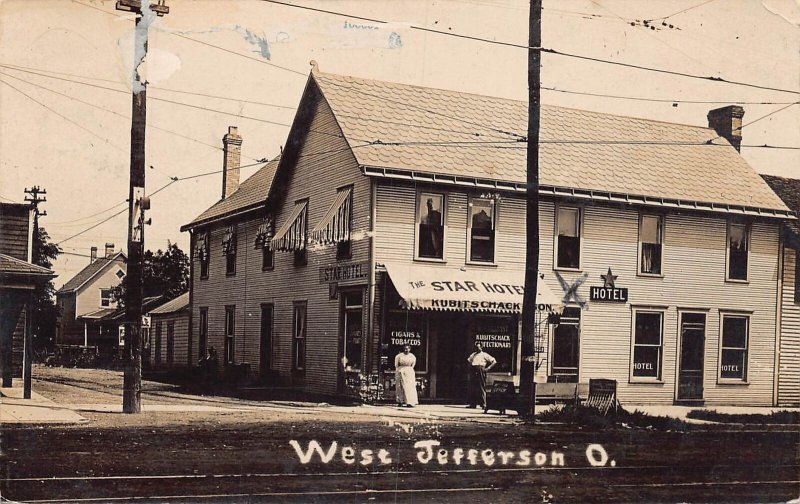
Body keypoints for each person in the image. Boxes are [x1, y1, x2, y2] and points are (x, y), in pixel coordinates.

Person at [467, 342, 496, 409]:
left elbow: (494, 361)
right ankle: (473, 404)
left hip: (481, 370)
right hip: (474, 370)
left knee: (481, 387)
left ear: (481, 347)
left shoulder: (484, 354)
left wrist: (488, 368)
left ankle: (484, 404)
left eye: (478, 347)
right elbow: (469, 361)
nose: (477, 348)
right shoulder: (473, 354)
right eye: (476, 347)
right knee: (473, 387)